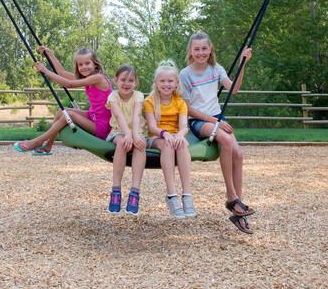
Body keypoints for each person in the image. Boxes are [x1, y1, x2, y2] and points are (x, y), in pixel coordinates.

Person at [179, 31, 255, 234]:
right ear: (191, 51)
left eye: (204, 48)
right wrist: (216, 122)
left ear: (210, 49)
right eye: (197, 49)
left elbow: (234, 90)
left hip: (217, 118)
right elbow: (188, 109)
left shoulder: (216, 69)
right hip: (199, 121)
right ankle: (231, 197)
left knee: (239, 154)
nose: (201, 52)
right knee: (226, 141)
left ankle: (238, 209)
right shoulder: (185, 74)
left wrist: (242, 64)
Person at [14, 45, 112, 156]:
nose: (84, 67)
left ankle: (37, 141)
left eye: (87, 63)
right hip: (93, 117)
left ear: (95, 64)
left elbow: (68, 84)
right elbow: (62, 73)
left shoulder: (98, 78)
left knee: (69, 114)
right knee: (62, 111)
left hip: (101, 126)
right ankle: (48, 146)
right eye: (80, 64)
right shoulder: (87, 78)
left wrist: (45, 71)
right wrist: (49, 54)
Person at [143, 60, 195, 219]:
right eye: (162, 81)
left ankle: (187, 194)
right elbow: (152, 127)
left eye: (170, 81)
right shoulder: (149, 101)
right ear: (156, 82)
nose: (166, 84)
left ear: (176, 82)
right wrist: (166, 134)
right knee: (168, 145)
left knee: (182, 145)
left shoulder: (180, 102)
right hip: (157, 137)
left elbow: (184, 127)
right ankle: (172, 195)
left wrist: (179, 136)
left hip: (174, 135)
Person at [105, 64, 147, 215]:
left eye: (131, 80)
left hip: (137, 131)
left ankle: (135, 191)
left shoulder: (138, 96)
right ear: (116, 80)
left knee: (140, 145)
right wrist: (127, 134)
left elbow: (136, 115)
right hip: (118, 131)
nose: (126, 83)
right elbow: (118, 116)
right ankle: (116, 190)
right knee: (122, 142)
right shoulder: (113, 96)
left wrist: (134, 135)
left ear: (136, 82)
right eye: (123, 79)